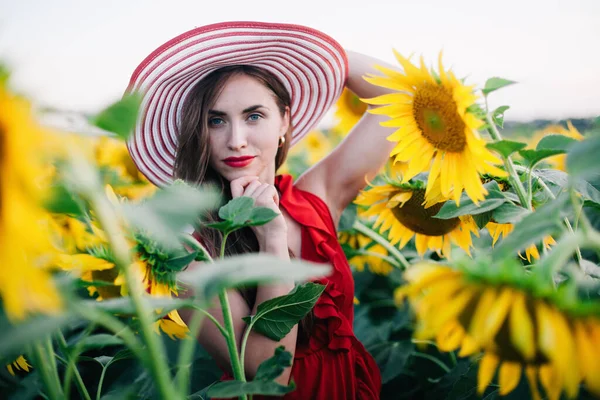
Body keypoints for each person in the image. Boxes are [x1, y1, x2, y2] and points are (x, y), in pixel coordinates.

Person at [126, 21, 397, 399]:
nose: (236, 141)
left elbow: (405, 98)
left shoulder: (313, 200)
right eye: (216, 120)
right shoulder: (188, 256)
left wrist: (323, 56)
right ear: (197, 133)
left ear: (284, 121)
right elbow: (268, 377)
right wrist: (272, 240)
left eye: (254, 116)